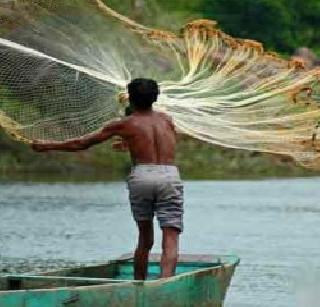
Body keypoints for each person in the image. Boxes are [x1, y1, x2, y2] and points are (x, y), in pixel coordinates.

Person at [32, 78, 184, 280]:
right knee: (170, 236)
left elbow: (81, 144)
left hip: (142, 176)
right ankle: (166, 283)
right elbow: (159, 143)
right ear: (156, 98)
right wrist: (130, 143)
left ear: (130, 98)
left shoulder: (124, 124)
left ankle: (139, 286)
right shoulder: (167, 120)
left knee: (145, 239)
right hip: (169, 175)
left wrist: (47, 146)